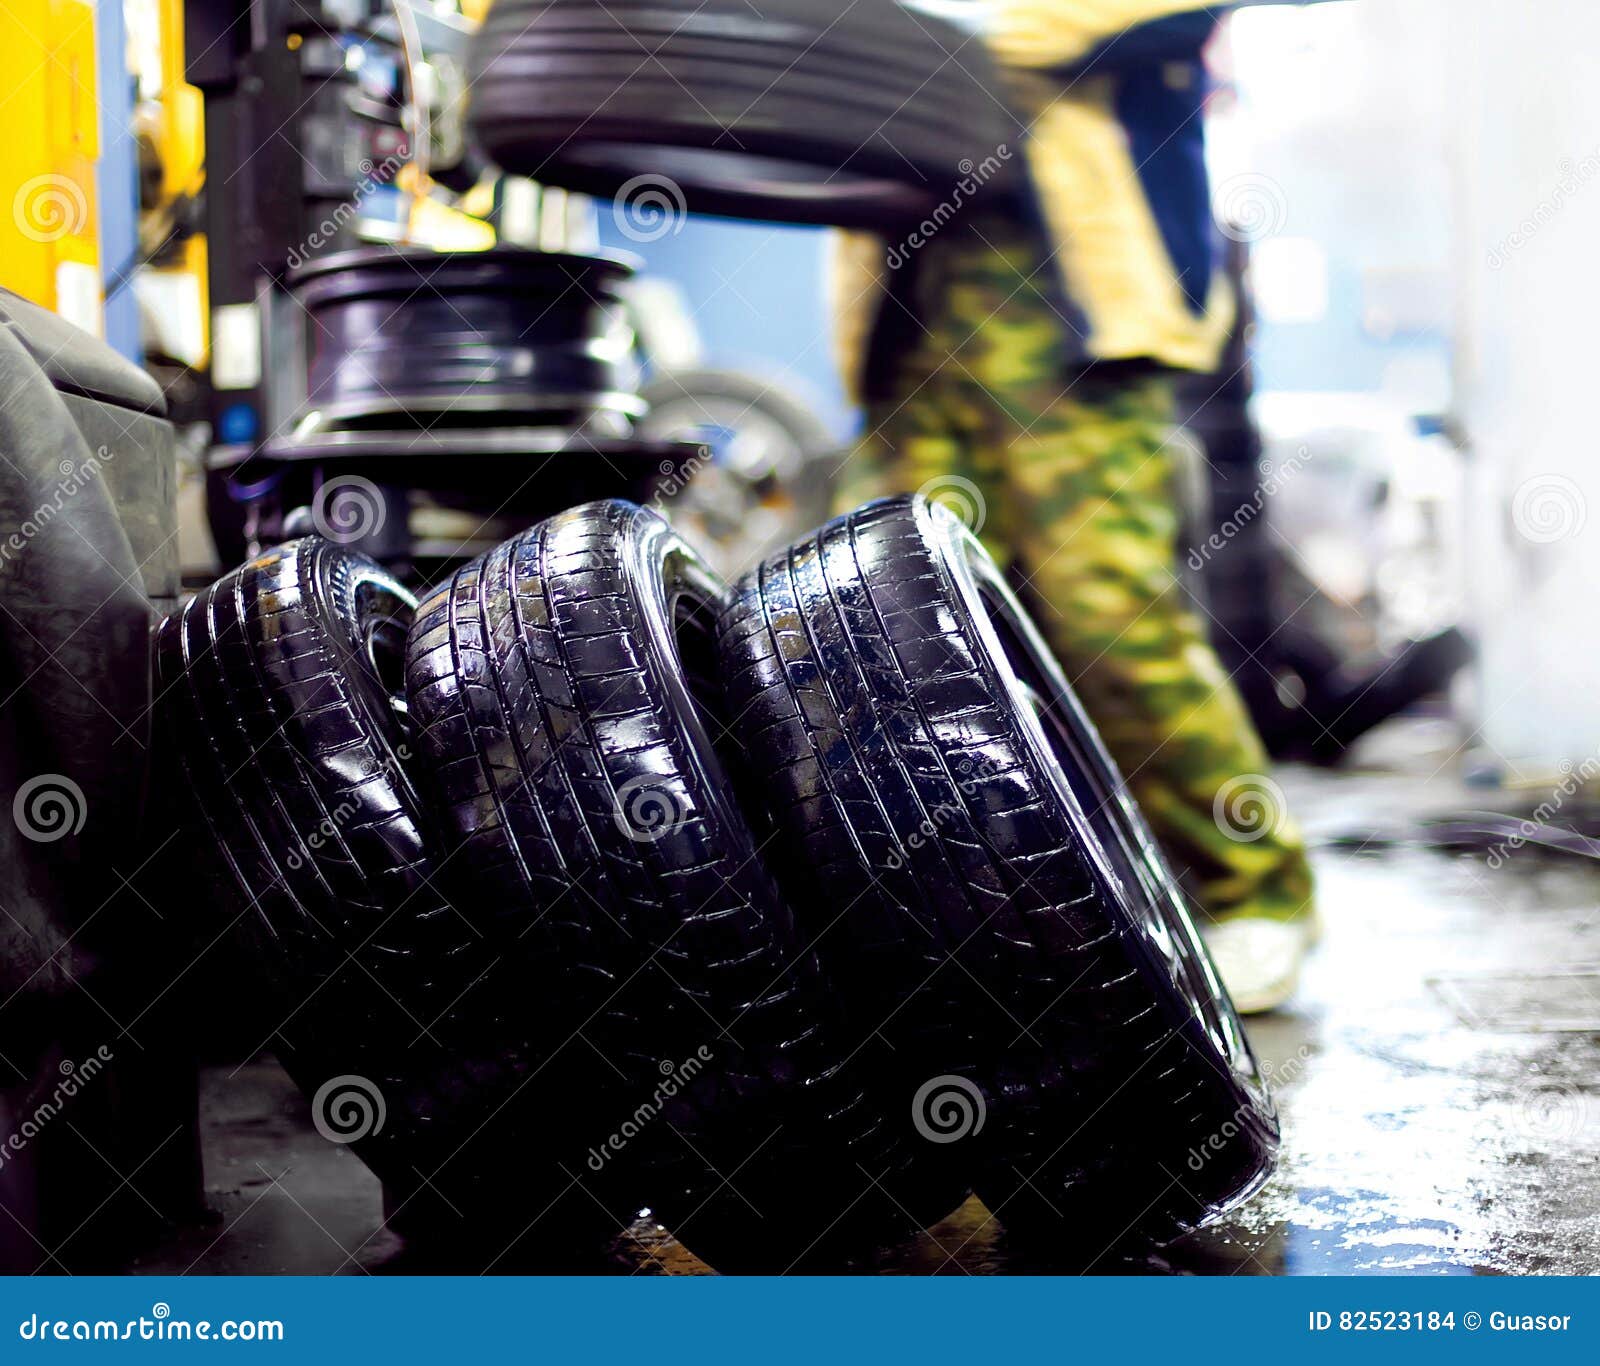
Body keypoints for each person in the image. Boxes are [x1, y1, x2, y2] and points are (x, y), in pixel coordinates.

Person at [829, 0, 1316, 1011]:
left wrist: (934, 35)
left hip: (1069, 304)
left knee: (1106, 612)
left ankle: (1254, 887)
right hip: (915, 303)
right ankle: (993, 915)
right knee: (906, 631)